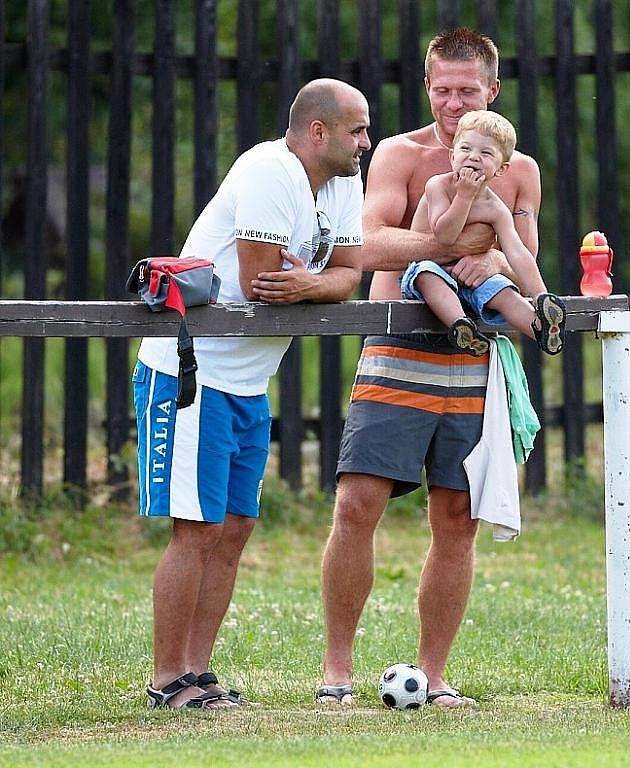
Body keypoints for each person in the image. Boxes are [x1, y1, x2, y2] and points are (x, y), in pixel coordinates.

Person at [318, 28, 543, 709]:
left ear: (492, 93)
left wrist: (497, 258)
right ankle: (336, 674)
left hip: (474, 359)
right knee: (358, 503)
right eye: (441, 89)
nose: (452, 104)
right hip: (397, 348)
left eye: (466, 91)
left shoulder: (520, 169)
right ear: (427, 87)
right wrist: (450, 245)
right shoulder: (397, 154)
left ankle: (434, 677)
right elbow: (369, 243)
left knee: (458, 516)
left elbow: (526, 253)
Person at [133, 78, 369, 710]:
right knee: (197, 530)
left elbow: (349, 279)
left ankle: (199, 674)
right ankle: (166, 681)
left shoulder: (345, 184)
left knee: (235, 527)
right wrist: (315, 278)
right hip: (191, 374)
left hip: (247, 382)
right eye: (357, 131)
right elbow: (263, 278)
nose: (366, 143)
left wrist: (312, 280)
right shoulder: (268, 170)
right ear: (318, 131)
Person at [402, 109, 565, 357]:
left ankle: (541, 328)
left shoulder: (495, 208)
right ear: (452, 155)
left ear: (501, 169)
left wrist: (540, 294)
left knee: (502, 289)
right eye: (466, 149)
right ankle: (460, 326)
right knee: (427, 274)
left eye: (486, 153)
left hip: (472, 281)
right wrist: (464, 197)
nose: (474, 157)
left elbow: (517, 252)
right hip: (430, 272)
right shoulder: (439, 187)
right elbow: (444, 236)